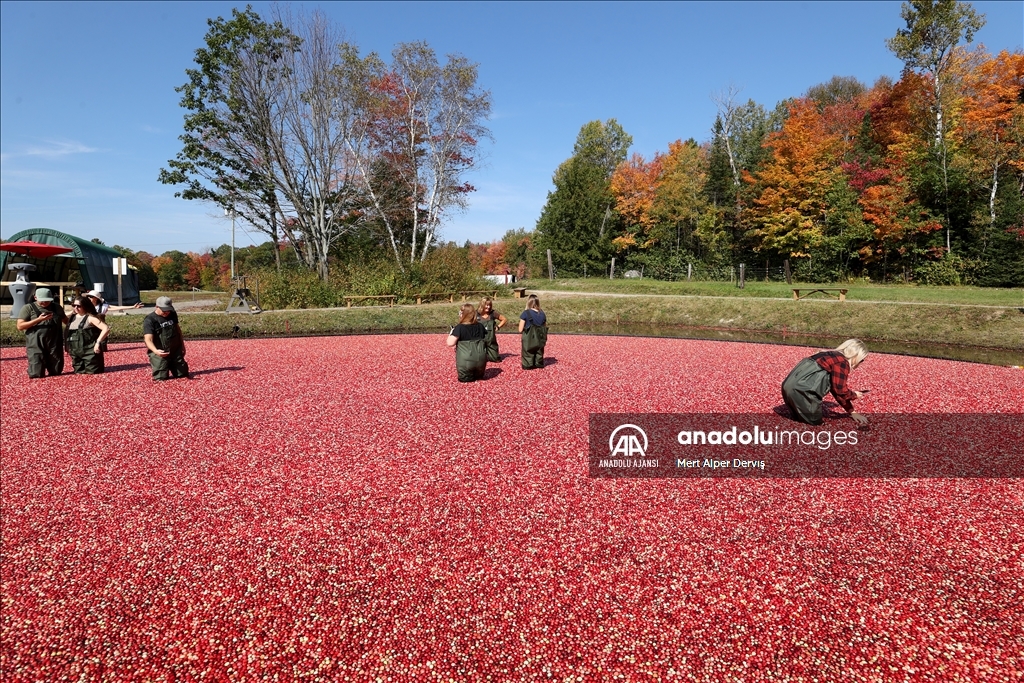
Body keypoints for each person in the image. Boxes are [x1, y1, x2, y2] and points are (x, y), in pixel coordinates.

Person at [781, 339, 869, 426]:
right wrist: (854, 395)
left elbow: (835, 390)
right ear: (856, 355)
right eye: (861, 360)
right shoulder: (841, 362)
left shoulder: (825, 355)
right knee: (815, 424)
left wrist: (852, 412)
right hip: (803, 393)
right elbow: (841, 391)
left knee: (800, 422)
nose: (860, 363)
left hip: (789, 390)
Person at [16, 287, 69, 378]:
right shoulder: (28, 308)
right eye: (42, 301)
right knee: (36, 373)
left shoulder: (57, 307)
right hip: (36, 343)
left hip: (54, 343)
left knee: (56, 372)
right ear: (35, 297)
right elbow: (20, 326)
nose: (44, 303)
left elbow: (66, 322)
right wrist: (39, 319)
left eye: (47, 300)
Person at [143, 296, 189, 380]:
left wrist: (182, 346)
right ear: (157, 307)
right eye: (164, 310)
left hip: (175, 349)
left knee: (182, 374)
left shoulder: (172, 314)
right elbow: (148, 339)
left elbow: (178, 330)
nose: (167, 312)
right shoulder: (150, 320)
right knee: (161, 377)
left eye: (168, 310)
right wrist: (156, 351)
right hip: (160, 351)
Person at [65, 297, 109, 374]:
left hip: (90, 352)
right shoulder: (72, 318)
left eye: (79, 306)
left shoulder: (90, 318)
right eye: (74, 305)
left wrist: (98, 343)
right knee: (78, 373)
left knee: (92, 373)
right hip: (76, 354)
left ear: (85, 306)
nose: (76, 308)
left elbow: (106, 328)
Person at [446, 303, 487, 382]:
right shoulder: (480, 326)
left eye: (460, 312)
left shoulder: (460, 327)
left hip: (466, 361)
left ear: (463, 314)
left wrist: (452, 332)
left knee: (465, 381)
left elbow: (450, 343)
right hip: (481, 360)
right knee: (479, 379)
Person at [518, 294, 548, 370]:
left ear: (528, 302)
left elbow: (520, 329)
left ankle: (528, 365)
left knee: (528, 351)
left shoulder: (526, 313)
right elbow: (544, 327)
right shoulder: (542, 313)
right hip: (540, 338)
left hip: (529, 339)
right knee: (539, 351)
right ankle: (538, 363)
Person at [477, 297, 507, 362]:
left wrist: (498, 327)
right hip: (479, 340)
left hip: (491, 340)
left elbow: (504, 319)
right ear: (482, 305)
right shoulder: (476, 314)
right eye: (486, 305)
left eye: (489, 305)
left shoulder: (493, 313)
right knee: (479, 359)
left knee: (496, 359)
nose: (488, 307)